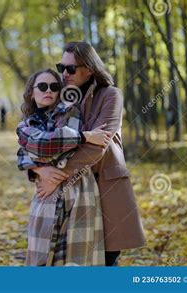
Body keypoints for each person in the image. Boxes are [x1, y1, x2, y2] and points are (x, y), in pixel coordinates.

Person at [32, 42, 146, 266]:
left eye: (71, 69)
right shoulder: (59, 97)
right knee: (69, 262)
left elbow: (97, 146)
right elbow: (35, 137)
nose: (64, 73)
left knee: (106, 259)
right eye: (61, 67)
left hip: (105, 188)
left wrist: (57, 174)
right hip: (67, 195)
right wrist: (39, 169)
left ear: (90, 68)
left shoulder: (111, 96)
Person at [16, 68, 112, 266]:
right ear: (31, 93)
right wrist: (40, 169)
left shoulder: (71, 112)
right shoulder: (24, 125)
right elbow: (39, 146)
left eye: (54, 86)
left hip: (77, 188)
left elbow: (58, 151)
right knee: (41, 255)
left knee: (76, 256)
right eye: (42, 86)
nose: (48, 90)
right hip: (46, 191)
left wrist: (37, 157)